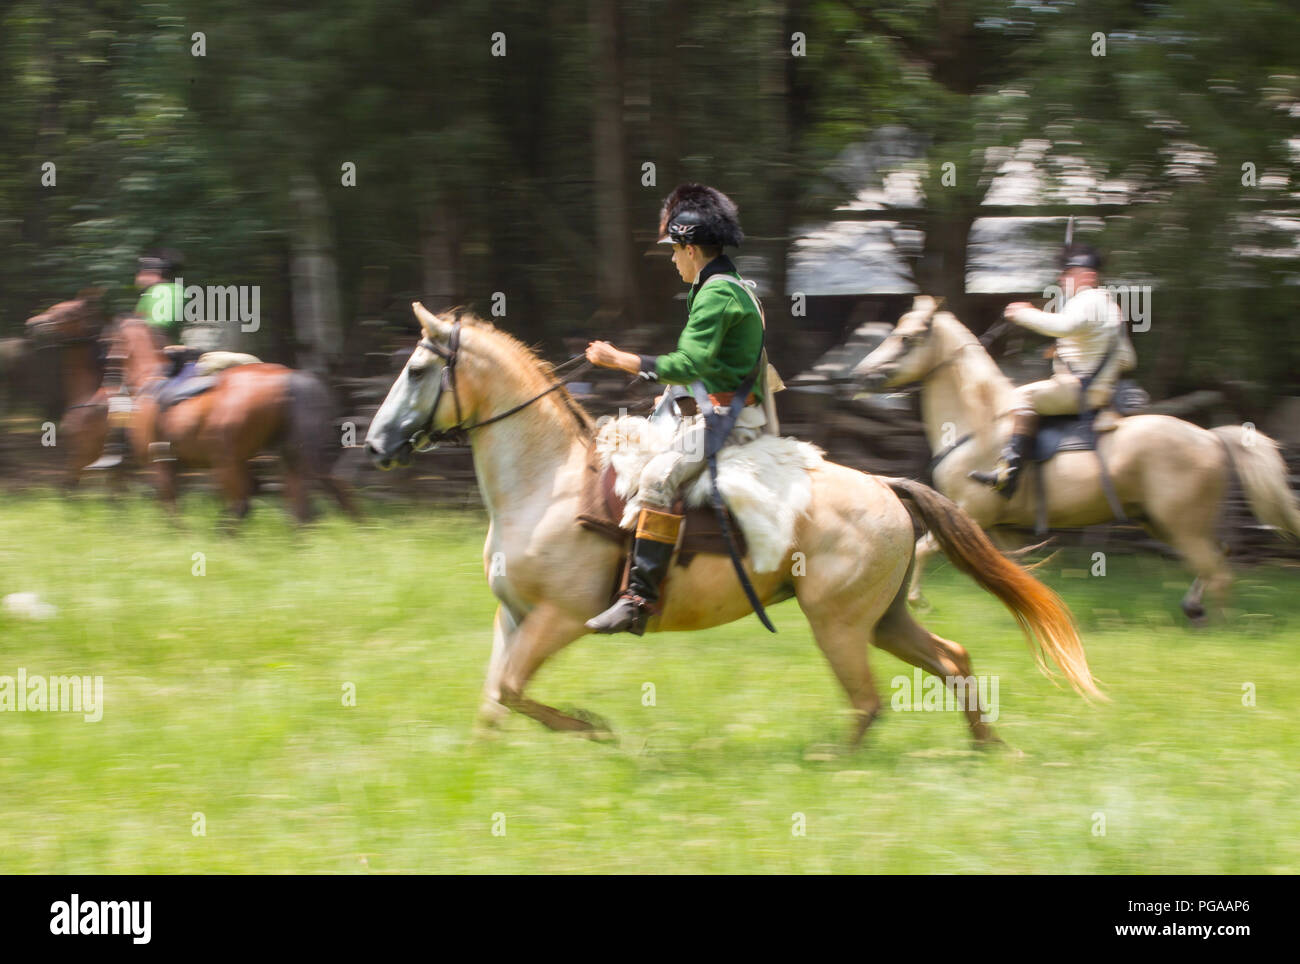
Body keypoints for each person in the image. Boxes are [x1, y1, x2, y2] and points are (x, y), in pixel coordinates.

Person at [584, 184, 771, 636]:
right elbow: (713, 367)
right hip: (711, 411)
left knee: (654, 476)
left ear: (690, 248)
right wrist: (673, 397)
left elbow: (689, 362)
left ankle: (638, 599)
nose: (671, 259)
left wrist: (619, 360)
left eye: (674, 250)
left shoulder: (716, 295)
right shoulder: (722, 288)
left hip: (724, 422)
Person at [969, 243, 1136, 497]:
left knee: (1019, 397)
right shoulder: (1110, 306)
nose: (1062, 278)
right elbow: (1127, 359)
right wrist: (1084, 354)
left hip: (1078, 390)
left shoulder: (1087, 299)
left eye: (1069, 273)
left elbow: (1063, 326)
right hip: (1099, 390)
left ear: (1089, 276)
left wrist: (1024, 314)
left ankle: (1008, 473)